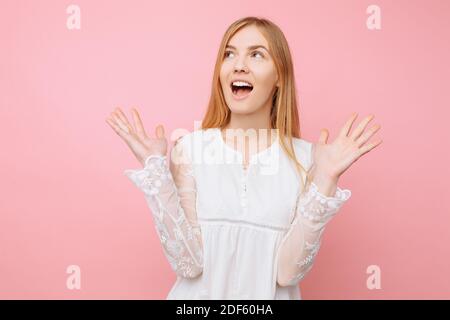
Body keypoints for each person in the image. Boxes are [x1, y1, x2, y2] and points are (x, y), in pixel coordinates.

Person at [105, 16, 382, 299]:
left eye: (256, 55)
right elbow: (188, 265)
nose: (238, 65)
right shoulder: (189, 150)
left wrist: (325, 179)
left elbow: (287, 274)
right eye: (229, 54)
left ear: (280, 77)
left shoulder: (307, 158)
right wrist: (156, 173)